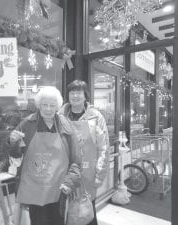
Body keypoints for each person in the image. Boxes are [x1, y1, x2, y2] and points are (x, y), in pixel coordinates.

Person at [8, 86, 81, 225]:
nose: (48, 109)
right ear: (39, 105)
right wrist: (13, 142)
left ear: (57, 107)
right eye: (44, 105)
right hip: (35, 188)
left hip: (59, 189)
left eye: (52, 105)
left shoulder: (66, 125)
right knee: (38, 221)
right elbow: (15, 156)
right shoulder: (27, 124)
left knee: (57, 221)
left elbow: (76, 159)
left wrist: (69, 181)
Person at [58, 80, 110, 225]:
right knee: (66, 211)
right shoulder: (60, 116)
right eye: (72, 92)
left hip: (88, 174)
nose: (75, 95)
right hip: (65, 173)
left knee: (87, 212)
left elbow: (104, 147)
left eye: (78, 92)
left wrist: (100, 174)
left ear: (85, 95)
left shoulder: (96, 117)